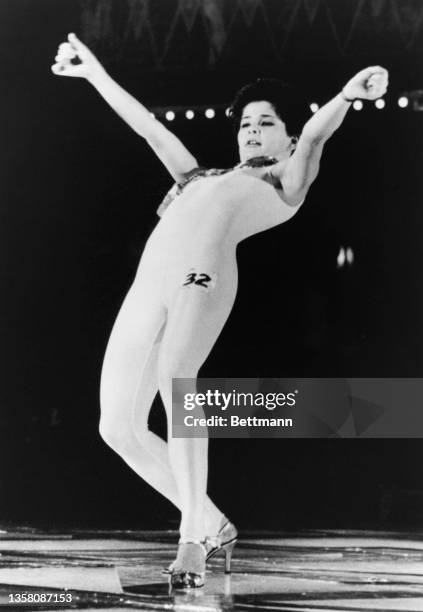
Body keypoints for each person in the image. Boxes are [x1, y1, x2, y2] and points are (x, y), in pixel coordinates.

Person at [52, 33, 388, 589]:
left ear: (287, 137)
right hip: (148, 287)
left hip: (201, 278)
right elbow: (150, 130)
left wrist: (348, 95)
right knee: (117, 427)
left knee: (176, 381)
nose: (252, 130)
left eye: (266, 123)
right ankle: (212, 523)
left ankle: (191, 540)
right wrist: (94, 74)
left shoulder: (283, 180)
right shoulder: (200, 177)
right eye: (245, 124)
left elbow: (319, 134)